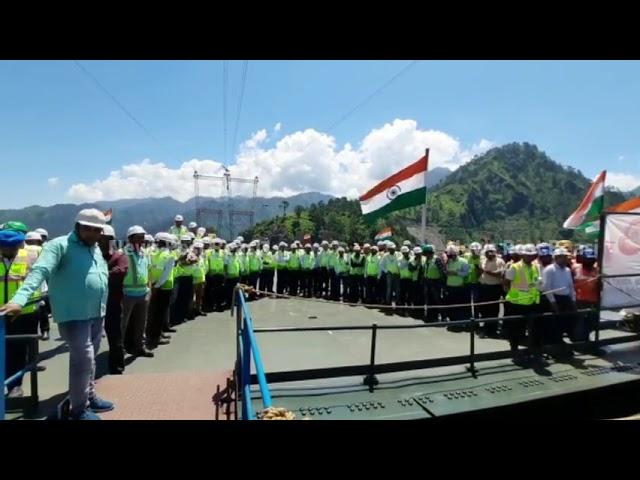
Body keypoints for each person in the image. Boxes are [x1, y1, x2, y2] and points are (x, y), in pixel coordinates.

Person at [1, 209, 114, 420]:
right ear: (77, 226)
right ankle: (79, 410)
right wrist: (19, 299)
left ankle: (89, 396)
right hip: (73, 314)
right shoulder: (59, 245)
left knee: (90, 360)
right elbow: (40, 271)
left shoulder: (95, 248)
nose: (91, 233)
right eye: (87, 229)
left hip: (96, 312)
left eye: (96, 230)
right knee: (84, 359)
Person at [1, 229, 41, 398]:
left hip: (25, 313)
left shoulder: (31, 256)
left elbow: (38, 279)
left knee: (19, 351)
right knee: (5, 350)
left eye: (14, 246)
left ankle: (14, 386)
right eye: (5, 246)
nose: (10, 250)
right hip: (2, 314)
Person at [503, 244, 543, 365]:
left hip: (532, 303)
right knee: (516, 330)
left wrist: (537, 286)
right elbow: (506, 283)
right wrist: (512, 294)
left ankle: (532, 352)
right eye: (528, 255)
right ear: (522, 255)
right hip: (517, 304)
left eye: (532, 255)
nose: (530, 257)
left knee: (533, 329)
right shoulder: (514, 267)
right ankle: (514, 351)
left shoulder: (536, 267)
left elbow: (536, 282)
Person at [120, 226, 154, 360]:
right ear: (130, 238)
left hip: (143, 293)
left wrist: (149, 290)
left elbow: (148, 271)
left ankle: (139, 346)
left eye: (143, 237)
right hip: (127, 293)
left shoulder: (144, 253)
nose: (142, 239)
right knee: (123, 323)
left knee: (141, 322)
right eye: (138, 237)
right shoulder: (123, 253)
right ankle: (120, 348)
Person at [98, 225, 128, 374]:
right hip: (92, 303)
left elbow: (120, 271)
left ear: (111, 240)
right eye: (99, 238)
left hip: (113, 302)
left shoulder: (119, 256)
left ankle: (117, 365)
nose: (100, 241)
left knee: (114, 334)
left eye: (105, 239)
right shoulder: (92, 255)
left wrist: (99, 275)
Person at [542, 247, 577, 358]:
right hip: (554, 299)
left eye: (566, 257)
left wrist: (573, 300)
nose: (565, 259)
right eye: (562, 257)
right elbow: (547, 287)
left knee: (566, 323)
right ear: (556, 258)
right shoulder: (549, 269)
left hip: (565, 298)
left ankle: (560, 345)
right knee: (554, 325)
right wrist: (553, 302)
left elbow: (570, 286)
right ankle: (554, 348)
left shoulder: (567, 270)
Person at [146, 232, 175, 351]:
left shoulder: (150, 253)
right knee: (160, 313)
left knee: (153, 312)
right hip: (164, 287)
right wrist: (158, 286)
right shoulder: (169, 255)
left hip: (152, 285)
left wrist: (152, 284)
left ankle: (154, 334)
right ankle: (156, 338)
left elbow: (148, 269)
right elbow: (166, 274)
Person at [572, 247, 599, 349]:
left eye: (592, 259)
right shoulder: (575, 268)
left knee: (592, 323)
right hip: (580, 301)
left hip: (593, 300)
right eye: (587, 259)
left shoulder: (597, 270)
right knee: (580, 324)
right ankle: (580, 344)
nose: (590, 261)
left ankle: (586, 340)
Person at [477, 244, 505, 338]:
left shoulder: (500, 261)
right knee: (484, 309)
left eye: (491, 252)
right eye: (487, 252)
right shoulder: (483, 260)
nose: (489, 253)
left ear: (494, 252)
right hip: (483, 287)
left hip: (494, 288)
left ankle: (492, 330)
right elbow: (480, 271)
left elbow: (500, 274)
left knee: (493, 310)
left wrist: (488, 272)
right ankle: (485, 328)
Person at [444, 245, 469, 330]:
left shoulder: (464, 261)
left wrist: (455, 273)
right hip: (450, 286)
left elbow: (466, 273)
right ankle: (452, 322)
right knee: (451, 306)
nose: (451, 257)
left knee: (459, 306)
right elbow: (446, 271)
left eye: (452, 255)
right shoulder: (449, 262)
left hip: (459, 287)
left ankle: (459, 323)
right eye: (449, 256)